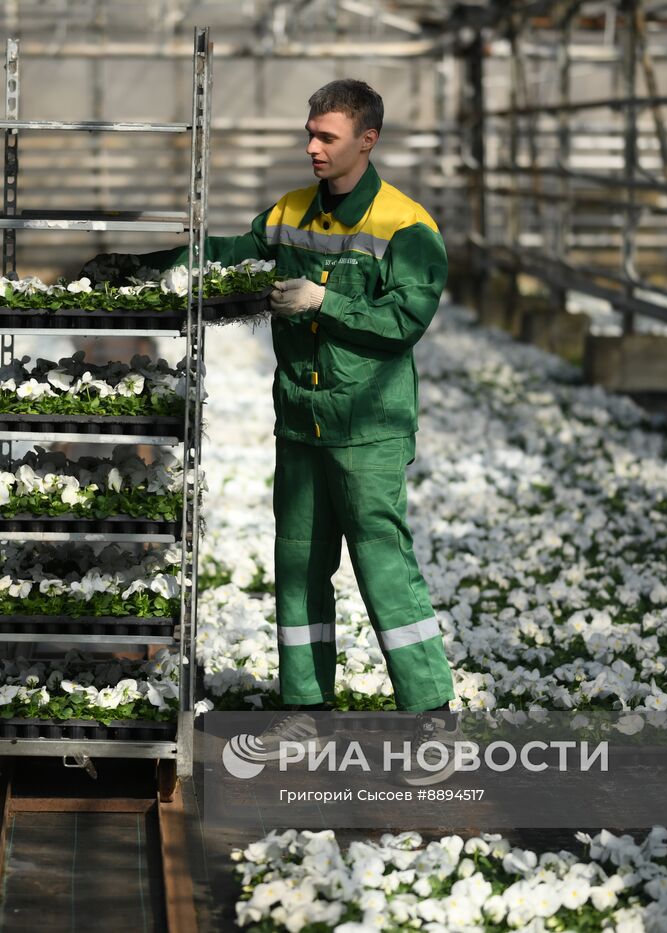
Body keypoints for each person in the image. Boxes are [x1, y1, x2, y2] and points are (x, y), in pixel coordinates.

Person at [83, 79, 458, 784]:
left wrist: (327, 298)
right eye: (309, 133)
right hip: (301, 420)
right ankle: (306, 709)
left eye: (327, 137)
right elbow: (231, 255)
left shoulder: (409, 228)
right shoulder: (290, 213)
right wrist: (147, 268)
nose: (311, 147)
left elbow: (406, 321)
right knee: (297, 564)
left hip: (367, 428)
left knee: (382, 565)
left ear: (367, 141)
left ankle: (430, 716)